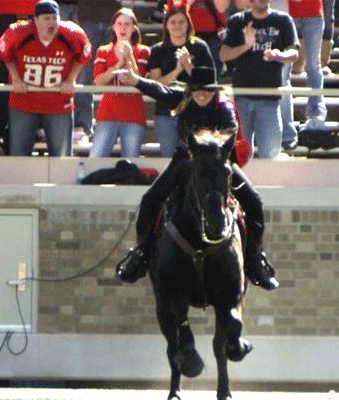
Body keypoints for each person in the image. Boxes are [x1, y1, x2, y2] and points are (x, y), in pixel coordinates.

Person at [115, 65, 279, 290]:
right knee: (150, 199)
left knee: (254, 201)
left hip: (218, 162)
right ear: (191, 90)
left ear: (214, 91)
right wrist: (136, 80)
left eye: (207, 90)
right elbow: (159, 90)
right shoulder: (183, 99)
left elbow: (230, 137)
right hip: (185, 160)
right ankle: (141, 252)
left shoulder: (225, 109)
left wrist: (209, 150)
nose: (202, 94)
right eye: (197, 90)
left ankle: (255, 257)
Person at [0, 0, 92, 157]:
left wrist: (71, 78)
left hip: (58, 102)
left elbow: (84, 55)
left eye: (55, 18)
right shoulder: (19, 32)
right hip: (24, 101)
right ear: (35, 20)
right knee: (19, 155)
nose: (52, 23)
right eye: (46, 18)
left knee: (61, 157)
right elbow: (5, 54)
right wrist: (15, 77)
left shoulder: (71, 33)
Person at [219, 0, 299, 159]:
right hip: (242, 98)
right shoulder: (237, 20)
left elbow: (294, 54)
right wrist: (246, 46)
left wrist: (278, 55)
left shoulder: (283, 20)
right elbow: (223, 54)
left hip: (270, 99)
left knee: (271, 156)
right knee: (239, 156)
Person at [147, 7, 214, 156]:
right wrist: (177, 70)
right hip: (166, 113)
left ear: (188, 24)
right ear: (166, 25)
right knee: (170, 158)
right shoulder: (158, 50)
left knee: (194, 157)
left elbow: (208, 82)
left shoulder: (200, 47)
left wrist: (188, 65)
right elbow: (156, 83)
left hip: (195, 112)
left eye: (181, 22)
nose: (177, 26)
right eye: (173, 22)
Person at [88, 8, 151, 158]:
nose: (123, 28)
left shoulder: (143, 51)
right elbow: (98, 81)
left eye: (127, 24)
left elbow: (142, 82)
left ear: (134, 28)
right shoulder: (104, 51)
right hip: (108, 113)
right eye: (119, 24)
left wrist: (129, 58)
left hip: (133, 115)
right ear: (113, 27)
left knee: (129, 163)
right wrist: (118, 64)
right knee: (96, 158)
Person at [0, 0, 36, 153]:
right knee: (1, 70)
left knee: (32, 67)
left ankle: (37, 125)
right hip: (1, 11)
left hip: (35, 12)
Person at [70, 0, 122, 139]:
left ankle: (115, 126)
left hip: (115, 19)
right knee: (84, 76)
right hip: (87, 17)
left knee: (117, 76)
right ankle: (82, 126)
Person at [165, 0, 230, 81]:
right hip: (188, 38)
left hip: (211, 37)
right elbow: (176, 12)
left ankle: (213, 90)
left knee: (213, 73)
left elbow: (222, 8)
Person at [289, 0, 328, 130]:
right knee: (285, 66)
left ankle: (316, 111)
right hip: (288, 13)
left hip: (314, 13)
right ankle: (284, 114)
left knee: (313, 65)